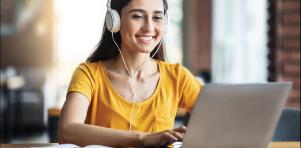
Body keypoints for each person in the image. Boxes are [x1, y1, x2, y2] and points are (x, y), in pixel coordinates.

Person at [57, 0, 201, 147]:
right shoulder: (89, 74)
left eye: (157, 17)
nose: (149, 27)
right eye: (137, 16)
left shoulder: (178, 77)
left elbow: (220, 122)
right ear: (115, 21)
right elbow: (67, 131)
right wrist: (142, 138)